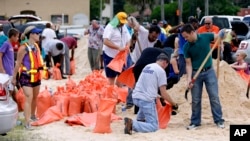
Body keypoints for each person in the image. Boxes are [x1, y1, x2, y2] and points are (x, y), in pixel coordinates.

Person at [181, 24, 225, 130]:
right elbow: (188, 64)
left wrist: (222, 35)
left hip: (209, 71)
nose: (185, 39)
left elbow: (217, 36)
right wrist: (189, 80)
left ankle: (219, 120)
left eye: (186, 36)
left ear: (192, 33)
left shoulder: (205, 36)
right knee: (195, 99)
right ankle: (195, 122)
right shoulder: (187, 47)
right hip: (196, 73)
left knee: (214, 97)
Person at [124, 53, 178, 134]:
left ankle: (139, 121)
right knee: (154, 126)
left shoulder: (148, 66)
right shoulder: (161, 71)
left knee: (145, 107)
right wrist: (174, 104)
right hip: (146, 100)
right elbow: (164, 93)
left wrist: (158, 96)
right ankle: (132, 124)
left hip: (136, 97)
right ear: (164, 62)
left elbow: (149, 85)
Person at [11, 26, 44, 130]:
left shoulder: (36, 46)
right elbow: (17, 64)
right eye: (36, 33)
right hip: (26, 76)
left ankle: (33, 116)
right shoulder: (23, 48)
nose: (38, 35)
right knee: (28, 98)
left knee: (35, 97)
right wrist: (14, 78)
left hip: (37, 75)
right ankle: (27, 122)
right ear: (31, 34)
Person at [102, 12, 131, 85]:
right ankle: (110, 93)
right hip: (110, 55)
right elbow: (106, 41)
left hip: (121, 56)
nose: (122, 24)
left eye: (123, 22)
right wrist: (118, 48)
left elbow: (128, 39)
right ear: (116, 20)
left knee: (121, 76)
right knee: (111, 77)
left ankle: (119, 92)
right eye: (121, 22)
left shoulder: (123, 27)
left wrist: (127, 46)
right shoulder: (110, 27)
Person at [0, 28, 19, 97]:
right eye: (17, 36)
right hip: (7, 72)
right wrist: (1, 68)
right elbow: (0, 55)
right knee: (8, 91)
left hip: (11, 71)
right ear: (12, 36)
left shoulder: (11, 45)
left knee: (11, 89)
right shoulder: (6, 44)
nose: (18, 38)